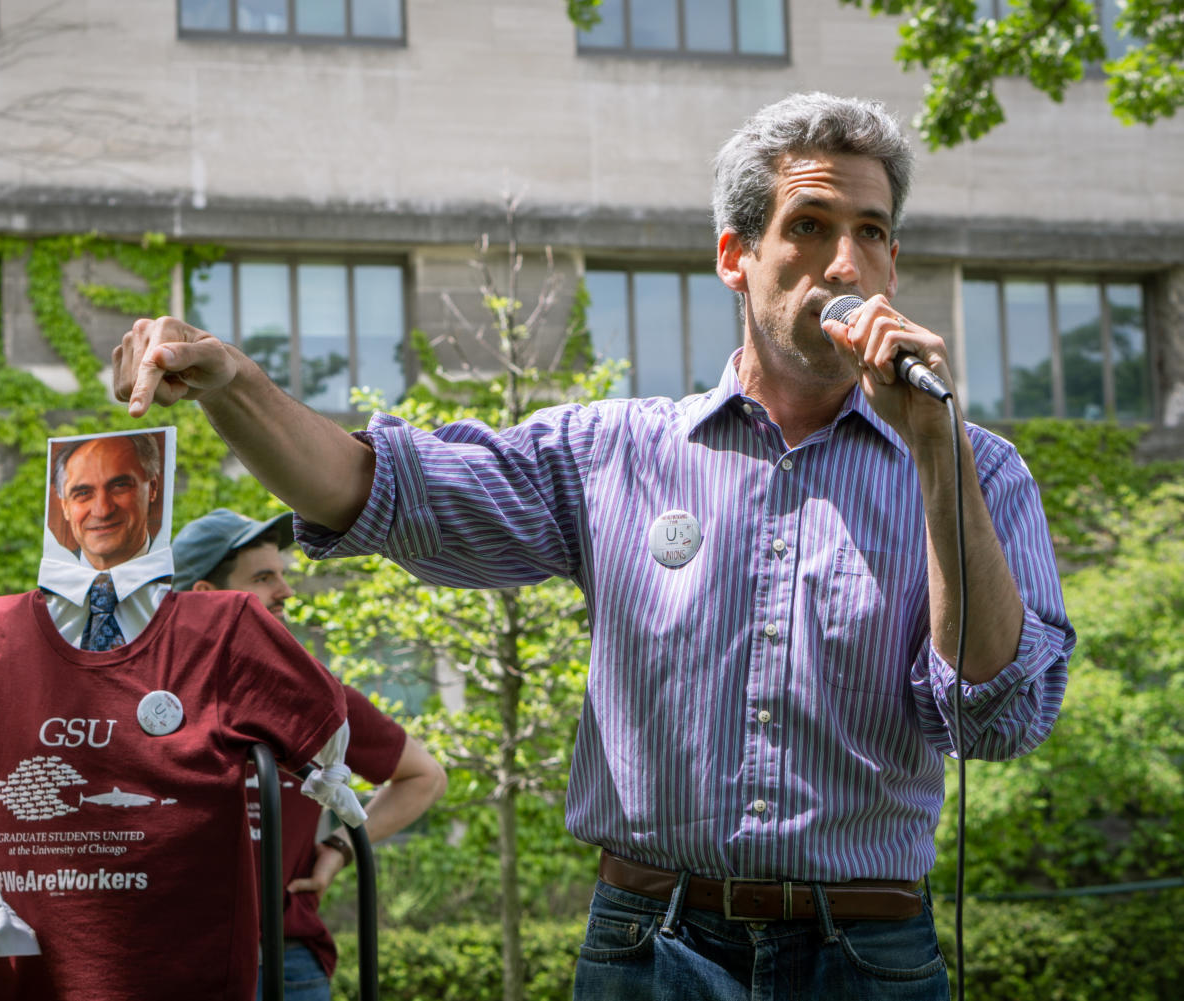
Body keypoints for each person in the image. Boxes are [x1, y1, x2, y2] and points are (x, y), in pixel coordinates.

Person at [111, 92, 1074, 1001]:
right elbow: (378, 489)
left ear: (892, 263)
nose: (843, 263)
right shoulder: (614, 452)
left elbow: (992, 718)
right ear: (736, 255)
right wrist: (234, 383)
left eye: (869, 232)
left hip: (868, 952)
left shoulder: (974, 469)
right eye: (810, 226)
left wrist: (935, 455)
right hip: (650, 945)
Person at [0, 430, 366, 1001]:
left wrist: (333, 800)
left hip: (183, 976)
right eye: (82, 492)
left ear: (154, 493)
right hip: (14, 981)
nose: (100, 508)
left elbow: (327, 730)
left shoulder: (226, 632)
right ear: (62, 507)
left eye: (120, 485)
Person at [173, 507, 448, 1001]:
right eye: (263, 578)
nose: (286, 592)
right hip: (176, 962)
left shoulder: (316, 699)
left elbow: (423, 776)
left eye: (282, 575)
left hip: (286, 962)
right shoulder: (153, 703)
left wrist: (338, 850)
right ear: (205, 599)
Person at [52, 432, 162, 569]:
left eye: (119, 486)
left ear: (152, 488)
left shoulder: (181, 573)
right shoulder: (52, 581)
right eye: (83, 493)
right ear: (65, 506)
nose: (102, 511)